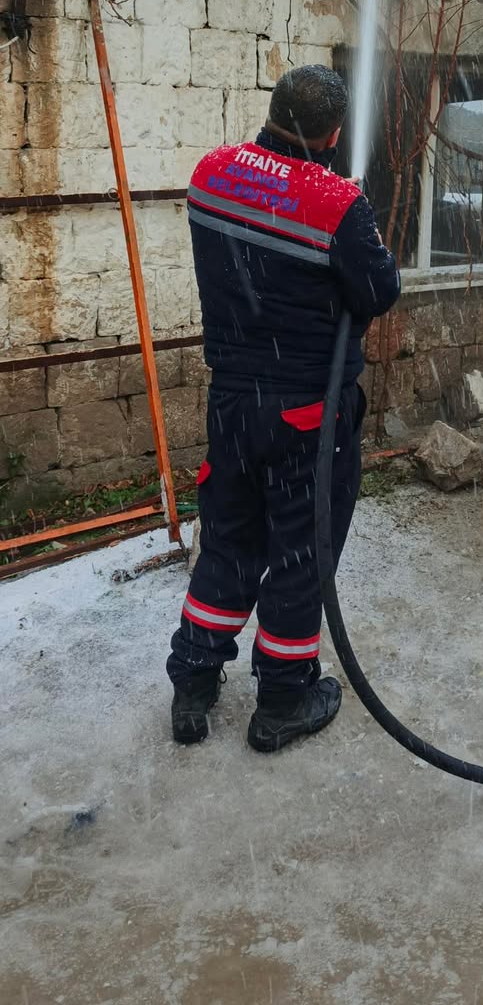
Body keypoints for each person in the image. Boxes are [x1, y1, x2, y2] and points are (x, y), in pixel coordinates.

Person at [167, 64, 400, 752]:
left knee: (229, 538)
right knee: (301, 553)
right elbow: (378, 291)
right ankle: (283, 700)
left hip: (233, 403)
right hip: (308, 415)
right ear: (333, 134)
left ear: (272, 112)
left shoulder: (210, 174)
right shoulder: (338, 203)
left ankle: (193, 681)